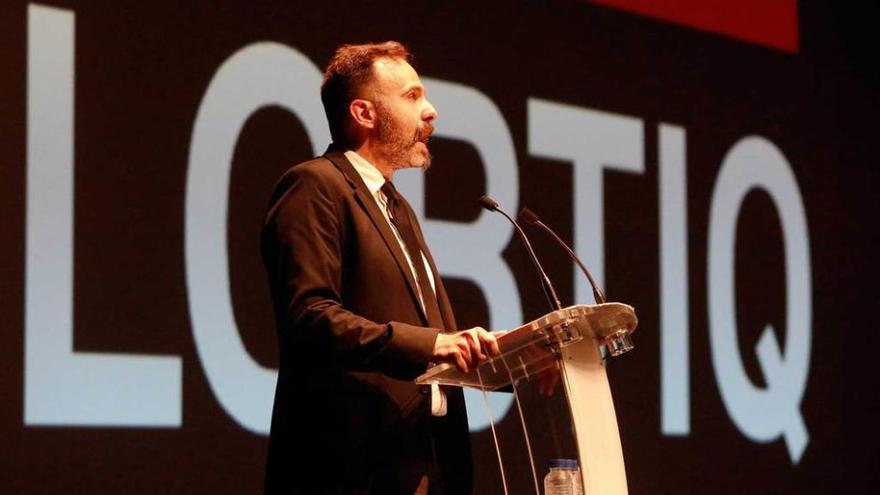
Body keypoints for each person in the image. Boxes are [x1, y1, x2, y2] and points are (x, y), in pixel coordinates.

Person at [262, 41, 500, 495]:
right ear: (364, 113)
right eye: (411, 97)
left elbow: (439, 341)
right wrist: (433, 343)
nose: (430, 111)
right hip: (352, 471)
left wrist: (528, 358)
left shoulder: (397, 208)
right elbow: (309, 317)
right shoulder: (315, 185)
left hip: (423, 463)